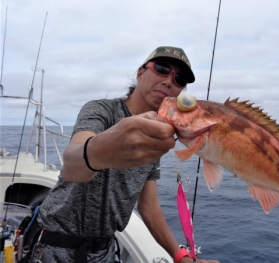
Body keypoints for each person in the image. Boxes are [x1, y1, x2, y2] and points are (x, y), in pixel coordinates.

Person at [28, 46, 219, 263]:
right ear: (140, 73)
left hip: (105, 250)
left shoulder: (156, 137)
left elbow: (148, 205)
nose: (169, 81)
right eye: (162, 69)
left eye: (180, 79)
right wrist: (101, 150)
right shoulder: (101, 110)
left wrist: (181, 257)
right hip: (55, 245)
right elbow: (73, 164)